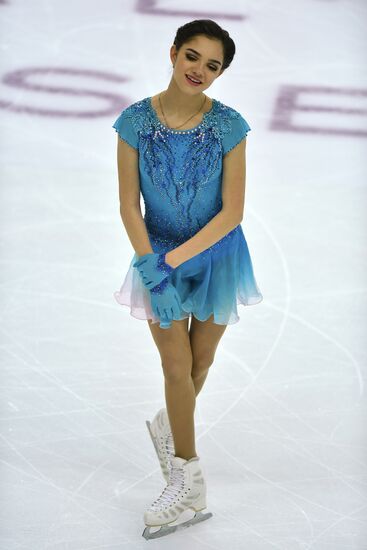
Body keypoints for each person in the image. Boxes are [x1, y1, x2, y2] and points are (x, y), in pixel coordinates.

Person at [112, 19, 263, 539]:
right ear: (173, 52)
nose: (199, 69)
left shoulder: (229, 126)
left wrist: (173, 262)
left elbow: (232, 212)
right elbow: (128, 203)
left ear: (221, 73)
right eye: (193, 56)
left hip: (217, 257)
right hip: (156, 257)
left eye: (213, 65)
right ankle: (189, 477)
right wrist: (150, 263)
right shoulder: (134, 121)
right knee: (176, 364)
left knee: (200, 361)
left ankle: (169, 425)